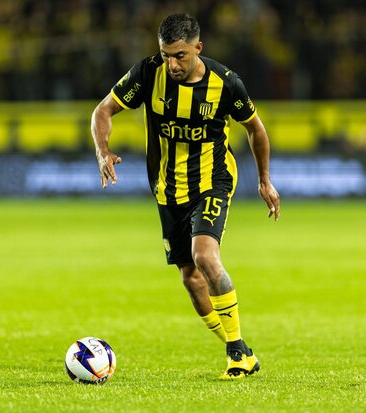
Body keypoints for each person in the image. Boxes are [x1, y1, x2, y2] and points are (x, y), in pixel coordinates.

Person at [91, 12, 280, 379]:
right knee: (191, 279)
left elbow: (256, 130)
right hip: (167, 189)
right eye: (166, 55)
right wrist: (102, 150)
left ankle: (237, 353)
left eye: (180, 55)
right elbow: (104, 110)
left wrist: (264, 181)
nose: (172, 64)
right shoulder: (148, 73)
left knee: (204, 255)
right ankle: (239, 348)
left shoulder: (226, 83)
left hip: (213, 180)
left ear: (198, 48)